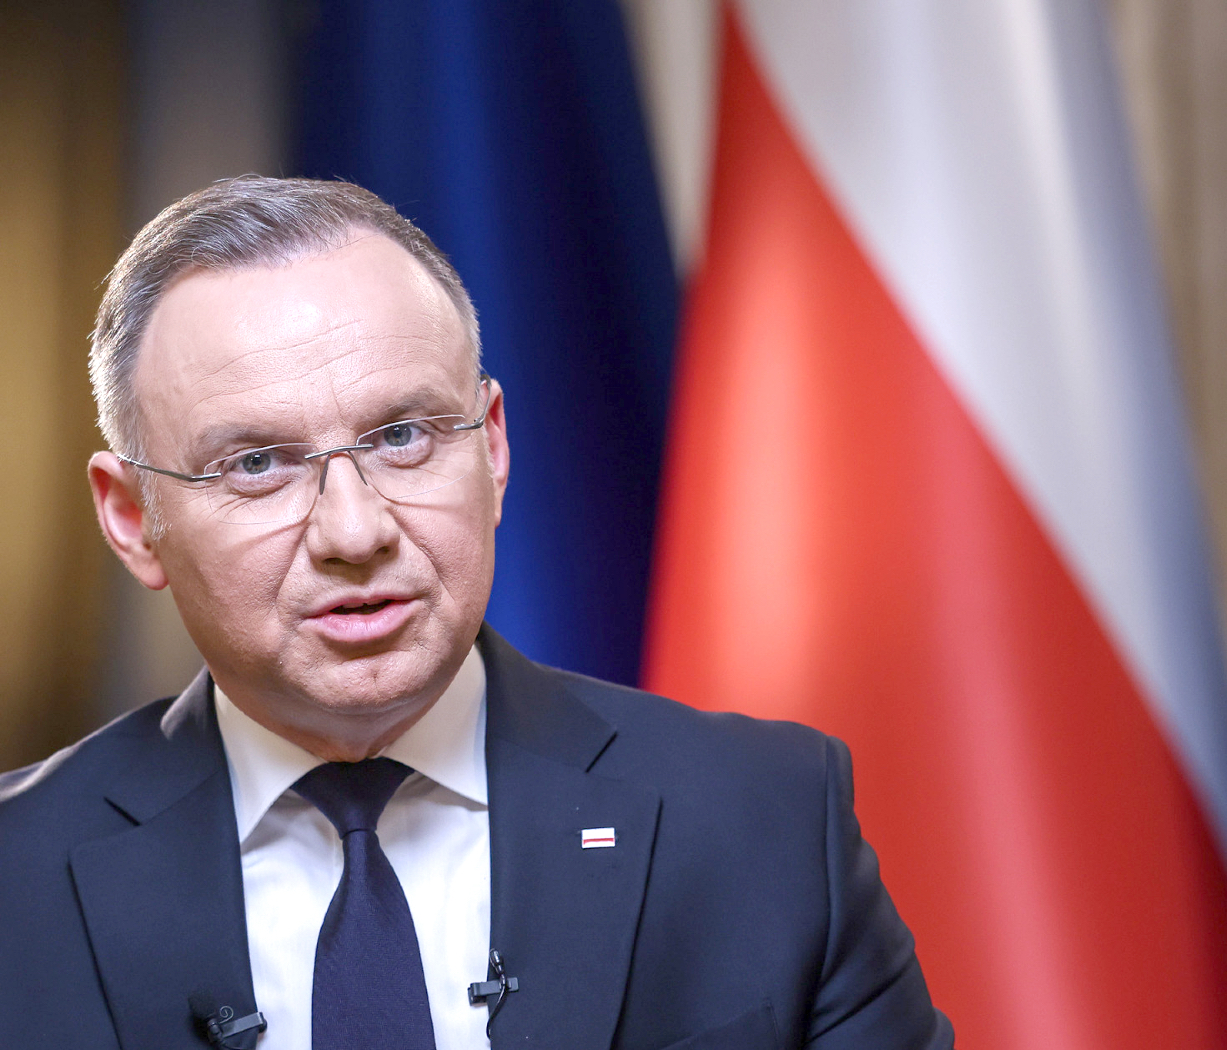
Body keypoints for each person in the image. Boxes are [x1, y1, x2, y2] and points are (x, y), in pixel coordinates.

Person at [0, 176, 952, 1050]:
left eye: (402, 436)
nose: (354, 531)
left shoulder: (765, 820)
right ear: (133, 519)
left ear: (491, 448)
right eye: (256, 464)